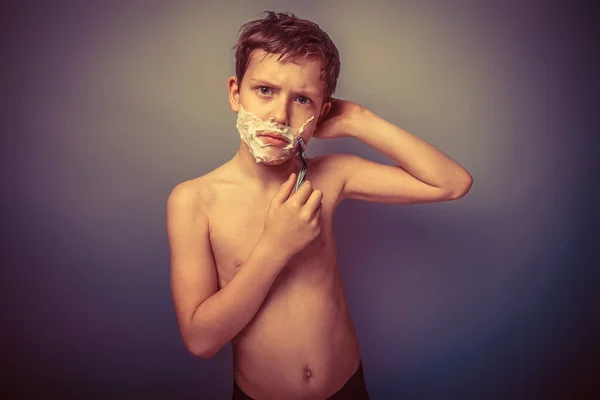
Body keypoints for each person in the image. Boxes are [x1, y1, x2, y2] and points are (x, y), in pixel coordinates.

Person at [167, 10, 472, 400]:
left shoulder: (332, 175)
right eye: (264, 90)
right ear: (234, 93)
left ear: (321, 112)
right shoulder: (194, 200)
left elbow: (452, 183)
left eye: (302, 99)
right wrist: (275, 247)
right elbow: (200, 340)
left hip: (347, 386)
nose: (279, 114)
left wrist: (357, 119)